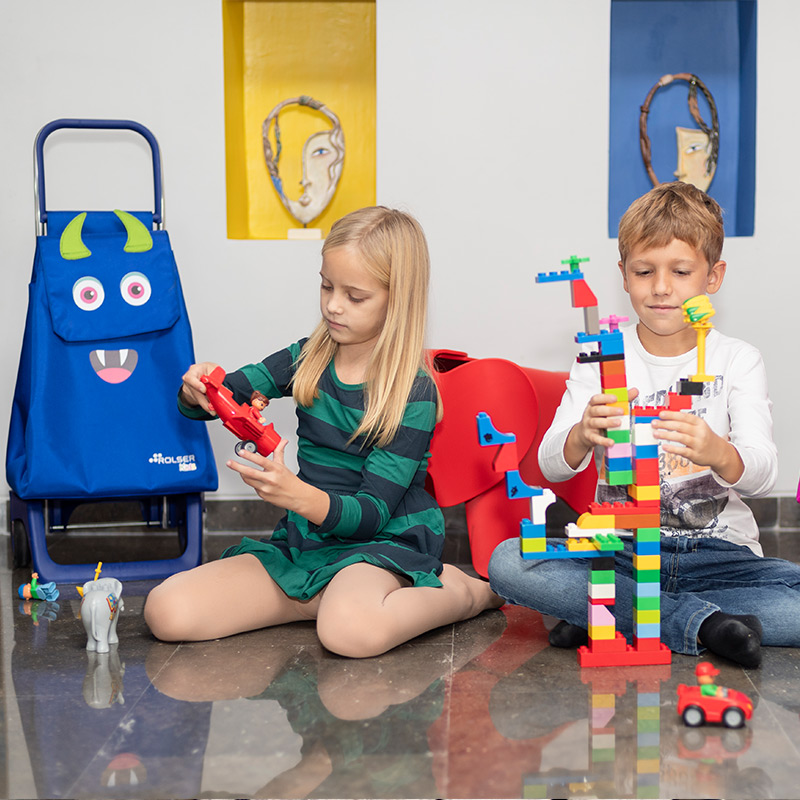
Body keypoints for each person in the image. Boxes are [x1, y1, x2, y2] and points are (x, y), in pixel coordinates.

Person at [144, 206, 500, 658]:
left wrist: (294, 494)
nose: (333, 304)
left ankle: (465, 592)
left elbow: (370, 514)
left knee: (349, 633)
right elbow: (221, 397)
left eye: (355, 296)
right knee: (167, 611)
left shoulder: (413, 393)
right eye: (327, 285)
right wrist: (198, 391)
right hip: (310, 540)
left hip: (383, 541)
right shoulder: (307, 356)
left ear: (398, 301)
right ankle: (327, 595)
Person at [488, 181, 800, 669]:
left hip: (718, 557)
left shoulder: (738, 359)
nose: (661, 287)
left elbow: (762, 474)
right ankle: (703, 625)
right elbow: (551, 465)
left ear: (713, 276)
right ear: (623, 274)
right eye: (644, 271)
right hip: (621, 551)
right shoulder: (599, 357)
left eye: (681, 271)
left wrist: (719, 452)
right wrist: (581, 433)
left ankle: (612, 613)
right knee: (510, 561)